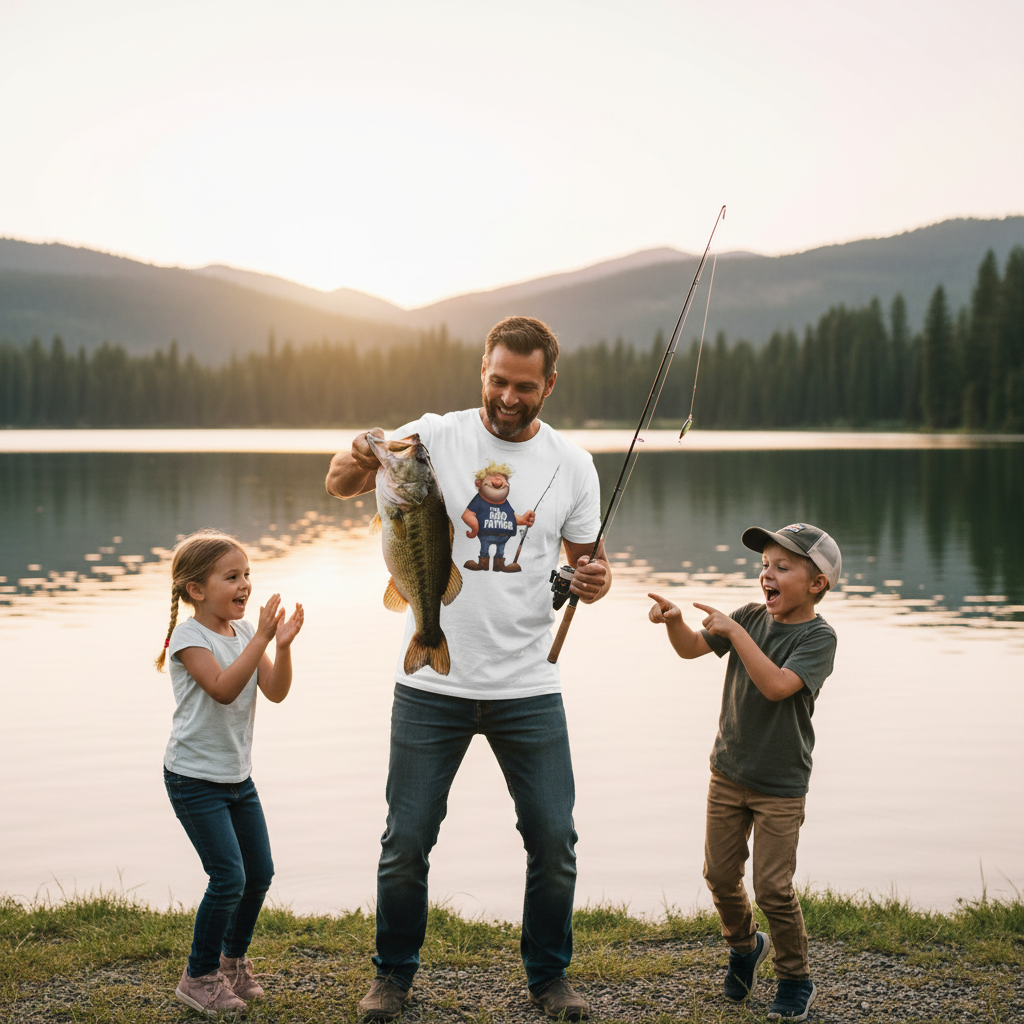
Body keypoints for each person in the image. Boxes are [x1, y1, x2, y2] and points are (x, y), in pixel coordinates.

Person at [326, 316, 611, 1021]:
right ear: (482, 369)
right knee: (406, 840)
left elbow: (589, 565)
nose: (508, 398)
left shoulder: (573, 465)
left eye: (524, 386)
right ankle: (392, 977)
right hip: (430, 685)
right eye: (497, 381)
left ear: (549, 383)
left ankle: (550, 979)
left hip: (528, 686)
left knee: (554, 840)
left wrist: (597, 582)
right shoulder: (431, 436)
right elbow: (339, 483)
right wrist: (366, 451)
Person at [647, 523, 840, 1022]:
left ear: (817, 583)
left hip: (780, 785)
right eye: (764, 566)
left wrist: (733, 632)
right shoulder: (749, 616)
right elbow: (692, 647)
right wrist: (672, 622)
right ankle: (743, 946)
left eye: (782, 567)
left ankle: (795, 978)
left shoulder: (819, 638)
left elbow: (778, 686)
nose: (766, 575)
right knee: (719, 875)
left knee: (773, 887)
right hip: (728, 772)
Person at [156, 529, 304, 1017]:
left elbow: (275, 691)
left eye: (247, 576)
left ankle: (232, 963)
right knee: (228, 877)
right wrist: (260, 636)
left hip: (237, 778)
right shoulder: (188, 637)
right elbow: (221, 688)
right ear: (196, 590)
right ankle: (198, 977)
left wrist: (279, 647)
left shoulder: (242, 633)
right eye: (232, 577)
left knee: (258, 873)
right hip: (193, 779)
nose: (244, 585)